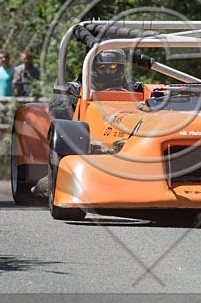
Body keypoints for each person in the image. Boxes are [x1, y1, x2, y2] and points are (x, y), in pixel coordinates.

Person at [34, 49, 141, 197]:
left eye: (112, 67)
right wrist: (68, 100)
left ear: (120, 67)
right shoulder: (75, 89)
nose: (108, 72)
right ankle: (52, 181)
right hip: (86, 139)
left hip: (126, 129)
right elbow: (57, 113)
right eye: (103, 68)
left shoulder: (134, 88)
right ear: (93, 67)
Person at [0, 50, 15, 126]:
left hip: (10, 101)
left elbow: (15, 86)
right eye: (1, 58)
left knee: (11, 122)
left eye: (5, 57)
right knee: (1, 122)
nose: (3, 59)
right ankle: (2, 138)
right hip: (0, 101)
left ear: (8, 58)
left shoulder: (13, 69)